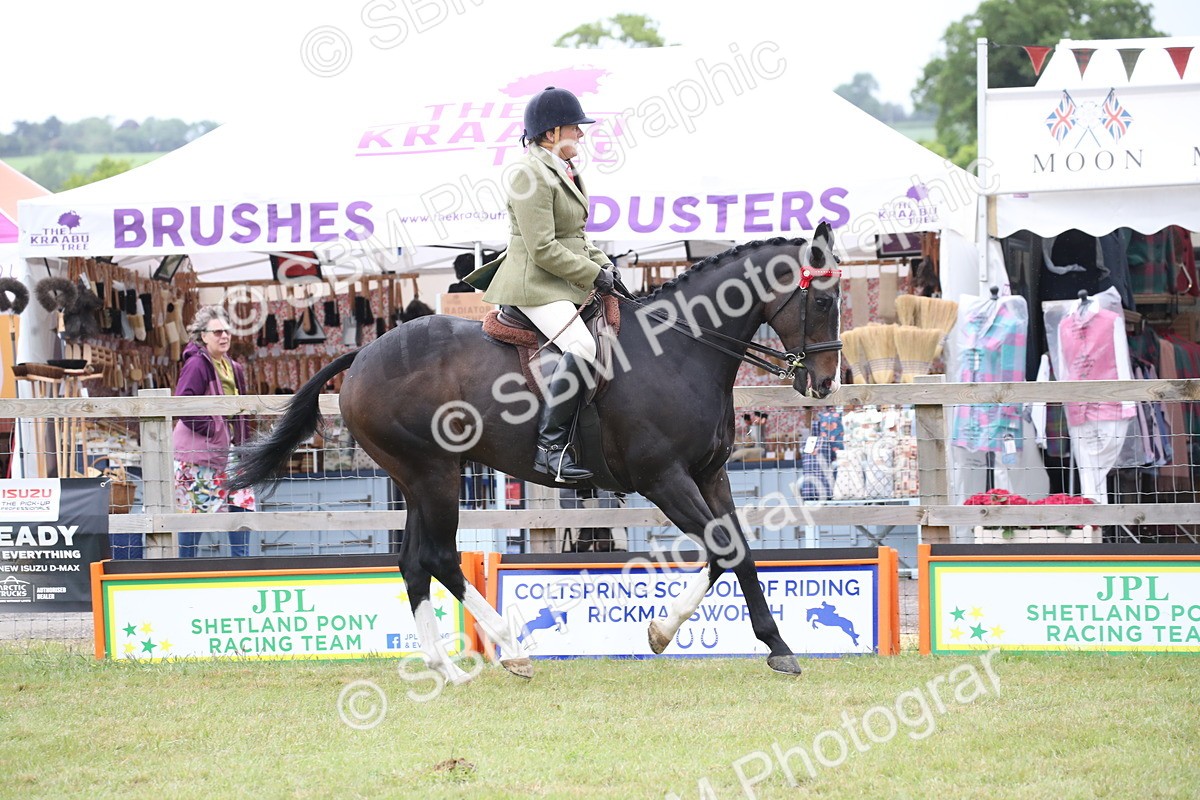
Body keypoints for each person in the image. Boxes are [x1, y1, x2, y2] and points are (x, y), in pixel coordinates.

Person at [465, 86, 616, 483]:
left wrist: (605, 265)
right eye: (575, 129)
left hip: (561, 280)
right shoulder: (526, 174)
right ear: (551, 133)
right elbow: (543, 248)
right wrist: (590, 274)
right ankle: (550, 449)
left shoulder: (565, 170)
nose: (581, 135)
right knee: (582, 345)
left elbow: (577, 237)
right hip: (534, 283)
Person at [172, 306, 255, 557]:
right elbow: (182, 403)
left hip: (231, 450)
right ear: (203, 335)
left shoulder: (234, 367)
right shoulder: (197, 365)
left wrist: (244, 440)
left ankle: (242, 565)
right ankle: (186, 568)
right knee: (194, 514)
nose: (224, 336)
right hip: (199, 453)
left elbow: (241, 408)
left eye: (227, 331)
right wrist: (212, 427)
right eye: (217, 331)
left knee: (242, 503)